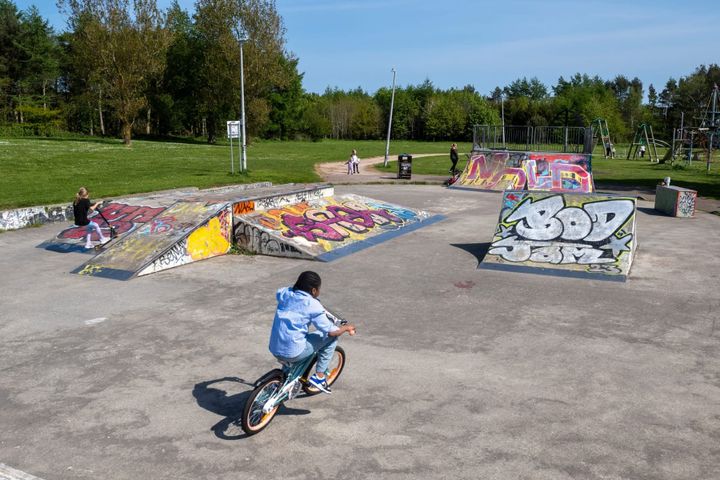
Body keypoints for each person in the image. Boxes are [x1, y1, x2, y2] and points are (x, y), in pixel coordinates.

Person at [268, 271, 356, 394]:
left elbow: (283, 292)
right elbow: (331, 331)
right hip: (293, 352)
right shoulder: (313, 305)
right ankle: (319, 377)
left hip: (274, 347)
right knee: (329, 338)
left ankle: (282, 382)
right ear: (314, 291)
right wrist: (346, 328)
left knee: (294, 336)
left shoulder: (284, 293)